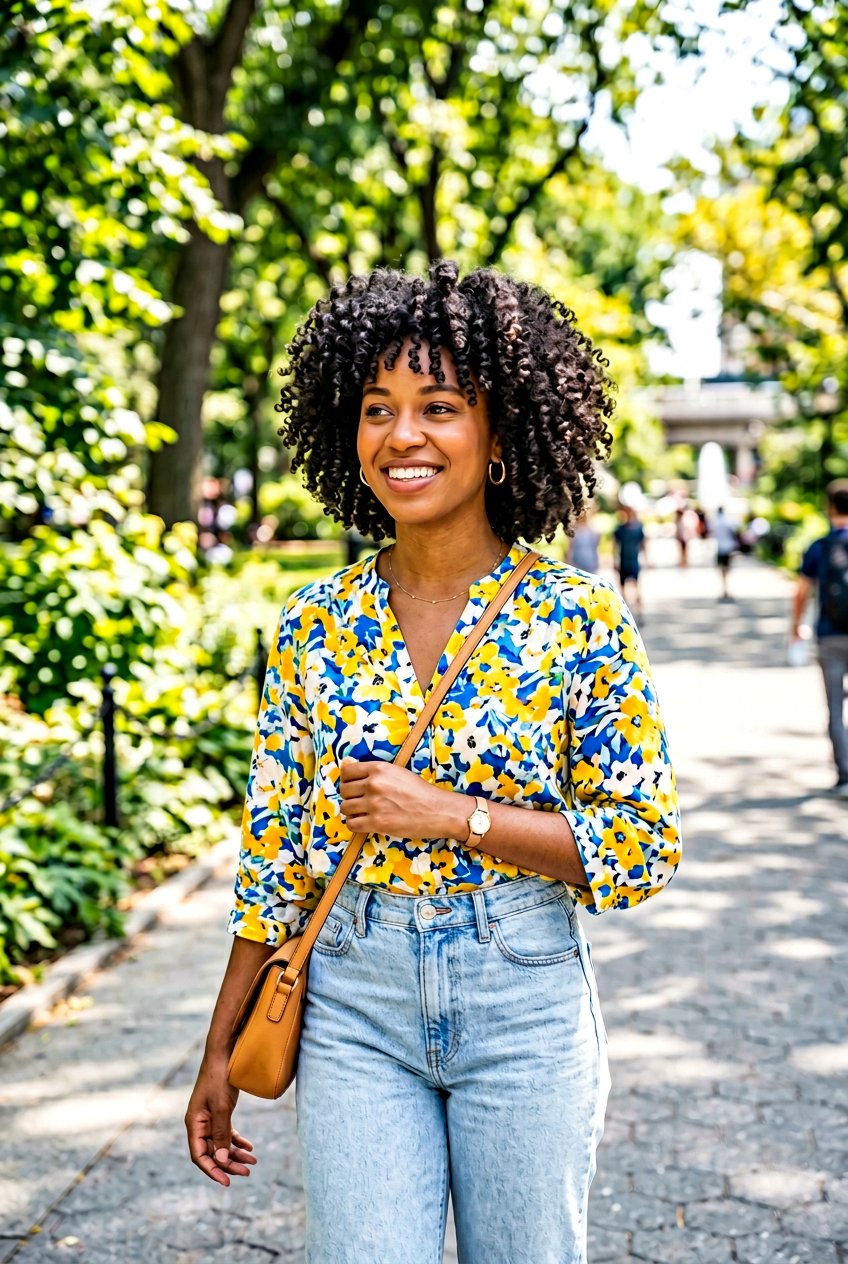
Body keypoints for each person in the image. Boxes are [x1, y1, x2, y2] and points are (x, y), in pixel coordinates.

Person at [184, 262, 682, 1264]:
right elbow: (277, 856)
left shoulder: (575, 617)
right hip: (351, 998)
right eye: (375, 408)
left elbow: (640, 847)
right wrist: (217, 1050)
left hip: (521, 995)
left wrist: (452, 814)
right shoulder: (315, 624)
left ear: (499, 432)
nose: (401, 435)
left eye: (438, 406)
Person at [792, 479, 848, 797]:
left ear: (829, 508)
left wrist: (796, 626)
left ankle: (844, 776)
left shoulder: (820, 546)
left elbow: (802, 591)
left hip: (829, 637)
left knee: (835, 709)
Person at [613, 504, 646, 617]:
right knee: (623, 589)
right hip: (624, 561)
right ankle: (625, 613)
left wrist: (646, 558)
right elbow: (615, 545)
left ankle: (639, 612)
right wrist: (615, 560)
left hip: (633, 560)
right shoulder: (620, 529)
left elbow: (643, 544)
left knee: (636, 587)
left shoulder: (637, 528)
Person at [711, 506, 738, 601]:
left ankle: (724, 588)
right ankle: (725, 589)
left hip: (720, 548)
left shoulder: (715, 522)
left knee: (722, 569)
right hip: (729, 547)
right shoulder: (728, 521)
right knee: (727, 569)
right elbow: (734, 533)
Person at [568, 509, 601, 574]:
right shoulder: (574, 530)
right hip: (579, 562)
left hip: (588, 562)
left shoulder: (592, 530)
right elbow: (571, 547)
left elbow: (595, 546)